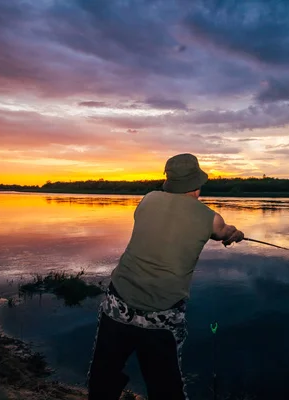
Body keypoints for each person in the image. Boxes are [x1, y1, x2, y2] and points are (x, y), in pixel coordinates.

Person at [87, 153, 244, 400]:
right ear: (198, 183)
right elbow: (223, 233)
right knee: (164, 385)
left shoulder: (147, 200)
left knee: (104, 373)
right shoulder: (210, 218)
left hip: (118, 303)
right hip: (162, 315)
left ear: (169, 180)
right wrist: (235, 234)